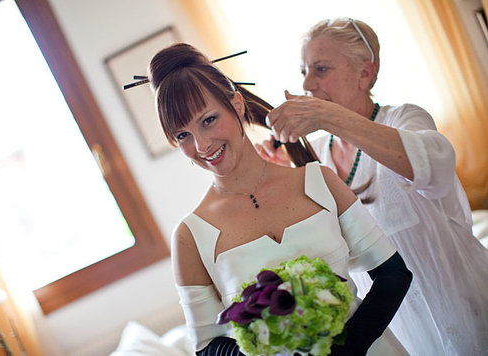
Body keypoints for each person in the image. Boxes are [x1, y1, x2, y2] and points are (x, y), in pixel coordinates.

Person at [146, 42, 412, 355]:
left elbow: (392, 273)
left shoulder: (319, 181)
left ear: (238, 104)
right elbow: (207, 347)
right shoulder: (191, 236)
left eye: (208, 120)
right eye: (182, 135)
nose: (202, 144)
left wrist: (348, 347)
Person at [257, 17, 488, 356]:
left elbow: (433, 164)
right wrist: (285, 178)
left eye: (320, 69)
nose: (307, 83)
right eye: (304, 71)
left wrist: (325, 116)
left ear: (365, 73)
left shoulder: (404, 119)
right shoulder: (315, 156)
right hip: (391, 321)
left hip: (457, 300)